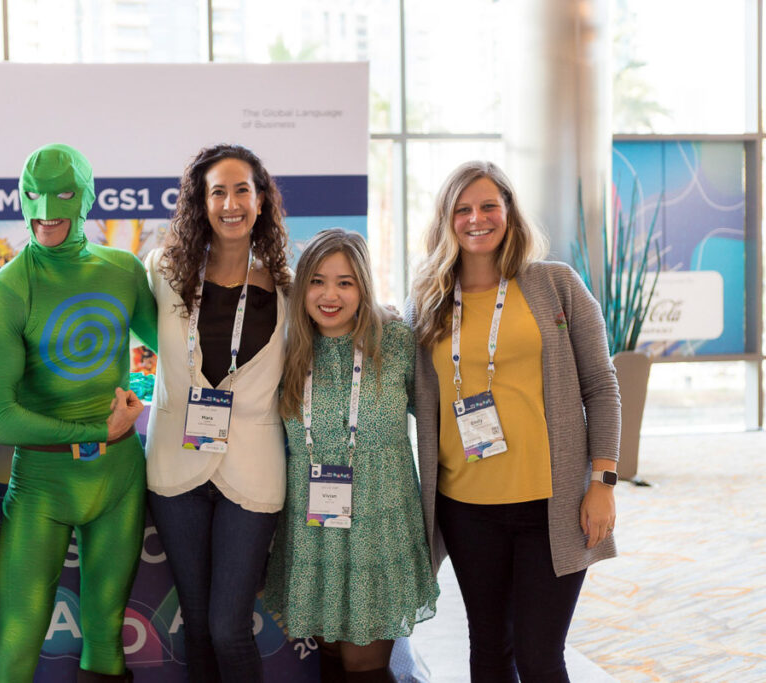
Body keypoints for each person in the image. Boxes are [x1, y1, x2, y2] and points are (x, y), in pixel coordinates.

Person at [408, 160, 620, 682]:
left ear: (509, 213)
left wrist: (603, 482)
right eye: (463, 209)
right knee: (488, 649)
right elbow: (408, 394)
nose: (476, 218)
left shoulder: (555, 285)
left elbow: (602, 386)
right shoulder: (428, 302)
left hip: (552, 505)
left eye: (488, 206)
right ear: (446, 220)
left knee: (540, 655)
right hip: (466, 509)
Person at [0, 143, 156, 683]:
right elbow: (1, 418)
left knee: (106, 638)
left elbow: (176, 352)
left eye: (61, 193)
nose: (45, 208)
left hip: (118, 476)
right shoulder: (2, 292)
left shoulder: (124, 270)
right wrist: (99, 427)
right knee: (16, 643)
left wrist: (138, 397)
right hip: (42, 484)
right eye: (32, 193)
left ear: (85, 196)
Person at [263, 228, 440, 683]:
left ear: (363, 286)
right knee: (331, 663)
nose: (330, 295)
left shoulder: (397, 342)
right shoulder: (286, 352)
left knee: (364, 667)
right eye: (318, 281)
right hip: (314, 533)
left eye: (345, 282)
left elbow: (441, 418)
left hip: (379, 532)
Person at [144, 143, 291, 683]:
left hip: (254, 471)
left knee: (229, 626)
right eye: (217, 191)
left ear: (261, 201)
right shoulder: (162, 270)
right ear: (200, 203)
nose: (231, 203)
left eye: (242, 190)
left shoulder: (290, 287)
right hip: (174, 468)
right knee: (199, 625)